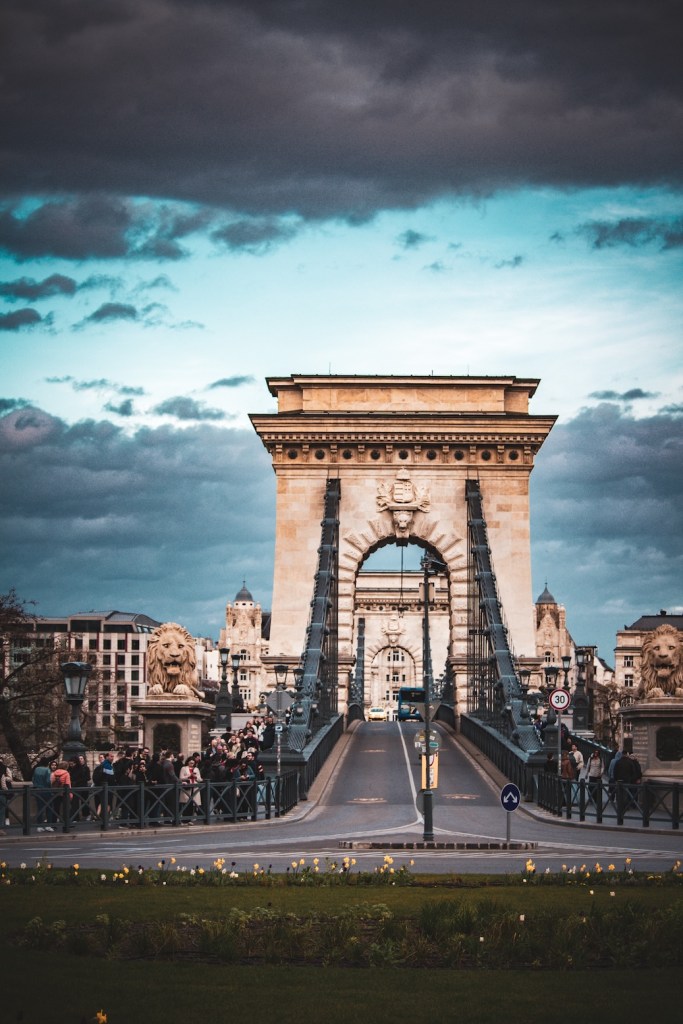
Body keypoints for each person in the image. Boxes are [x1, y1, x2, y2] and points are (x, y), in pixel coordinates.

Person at [32, 756, 55, 831]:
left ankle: (39, 826)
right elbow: (48, 781)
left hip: (37, 790)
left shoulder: (36, 769)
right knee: (49, 808)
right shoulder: (47, 770)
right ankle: (48, 825)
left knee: (40, 808)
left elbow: (33, 779)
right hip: (46, 790)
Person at [0, 759, 13, 828]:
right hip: (2, 793)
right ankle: (1, 828)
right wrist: (6, 791)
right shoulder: (2, 773)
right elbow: (4, 785)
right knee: (2, 810)